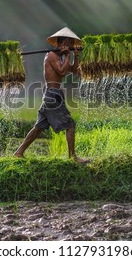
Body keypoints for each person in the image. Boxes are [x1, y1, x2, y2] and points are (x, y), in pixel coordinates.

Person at [14, 27, 90, 164]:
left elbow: (74, 71)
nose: (72, 46)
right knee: (70, 125)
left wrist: (76, 56)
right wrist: (67, 56)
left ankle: (18, 152)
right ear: (64, 42)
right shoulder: (51, 55)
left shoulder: (61, 56)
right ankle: (73, 157)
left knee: (39, 127)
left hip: (54, 94)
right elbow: (61, 72)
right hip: (52, 95)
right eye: (71, 43)